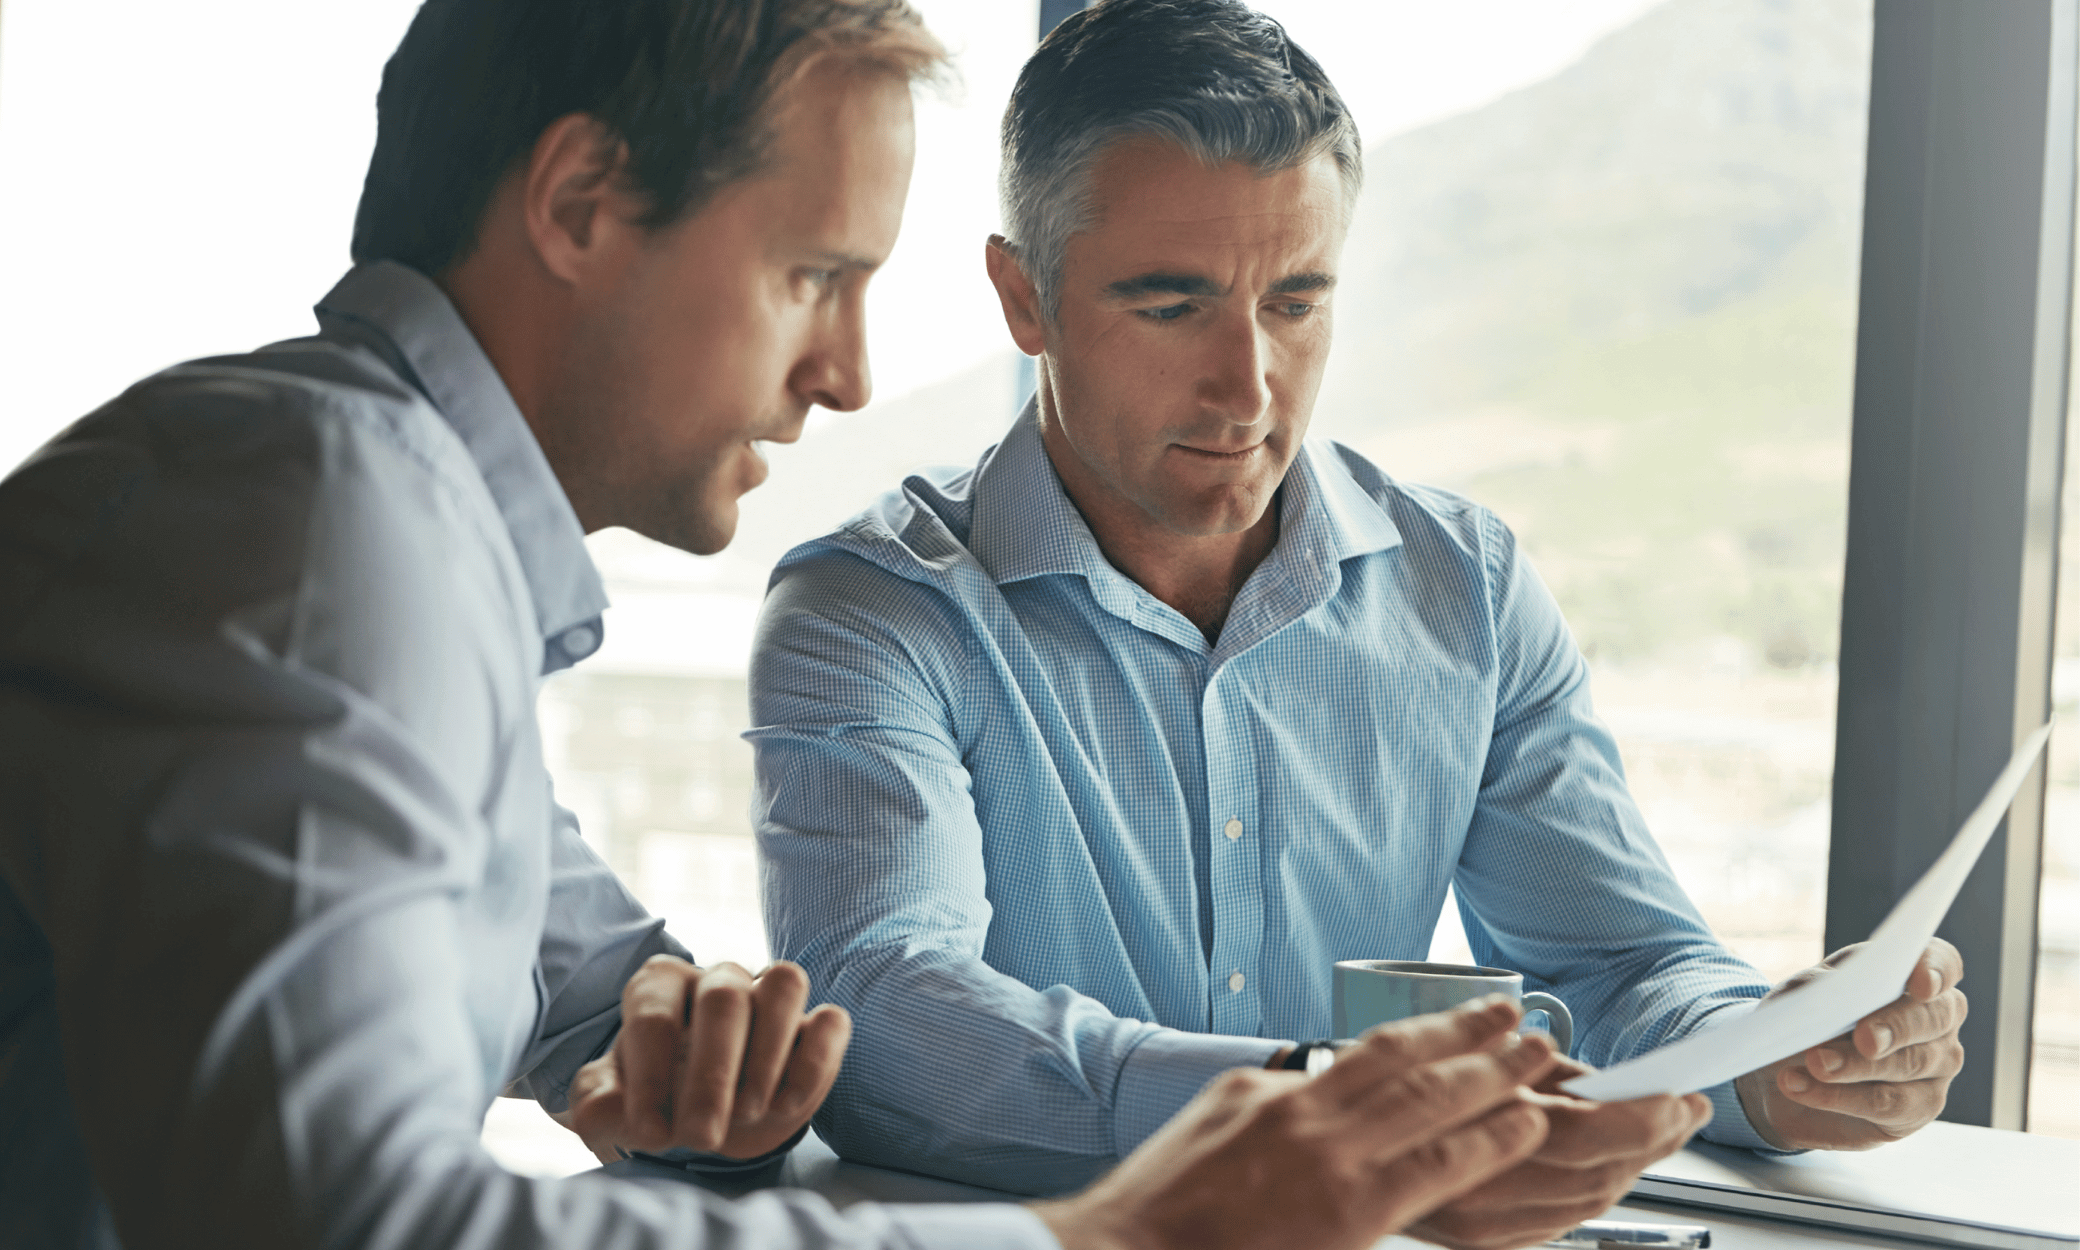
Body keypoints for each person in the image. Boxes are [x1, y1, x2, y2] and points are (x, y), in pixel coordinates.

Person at [0, 1, 1614, 1248]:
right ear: (580, 202)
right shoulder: (311, 516)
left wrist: (700, 1067)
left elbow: (599, 995)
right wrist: (1124, 1231)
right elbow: (346, 1224)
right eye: (811, 275)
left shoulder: (385, 519)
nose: (844, 372)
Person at [749, 0, 1971, 1237]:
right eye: (1169, 307)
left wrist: (1773, 1055)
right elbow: (886, 1011)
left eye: (1294, 301)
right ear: (1025, 297)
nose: (1248, 384)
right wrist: (1307, 1107)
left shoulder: (1467, 589)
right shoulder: (871, 612)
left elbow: (1619, 966)